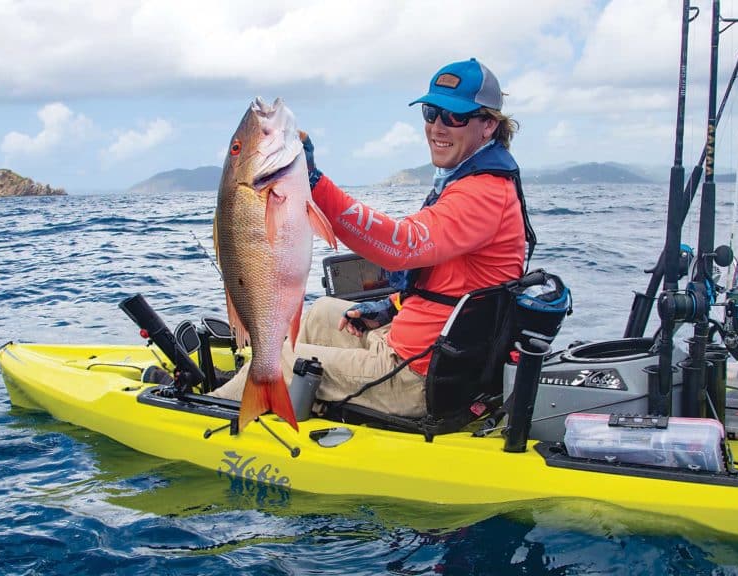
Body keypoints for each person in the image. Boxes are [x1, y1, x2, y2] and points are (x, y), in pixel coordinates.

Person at [211, 57, 532, 418]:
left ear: (488, 125)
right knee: (319, 315)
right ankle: (251, 390)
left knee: (286, 359)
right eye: (431, 113)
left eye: (454, 117)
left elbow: (401, 246)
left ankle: (209, 406)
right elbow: (447, 278)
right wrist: (390, 308)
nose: (438, 127)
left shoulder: (484, 193)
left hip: (419, 376)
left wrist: (314, 183)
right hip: (415, 344)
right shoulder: (467, 181)